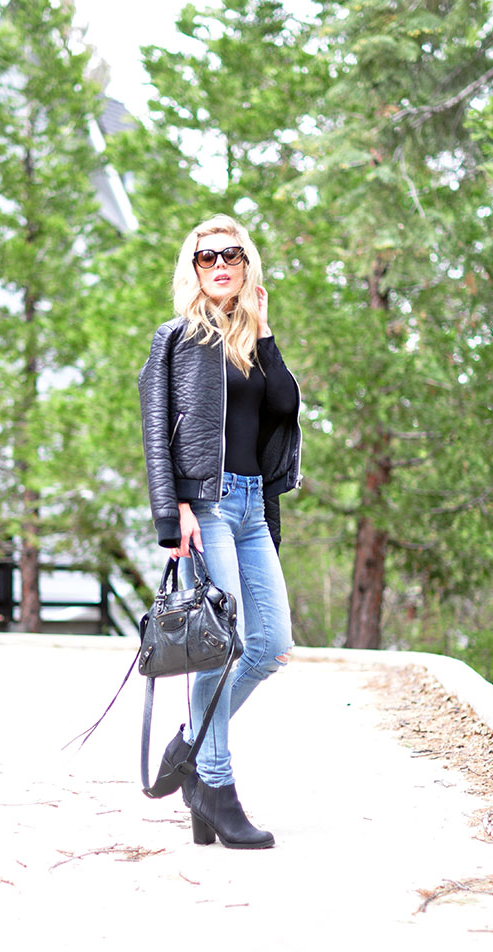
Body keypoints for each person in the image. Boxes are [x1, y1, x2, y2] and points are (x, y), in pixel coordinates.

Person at [138, 214, 302, 849]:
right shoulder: (175, 340)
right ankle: (215, 784)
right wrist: (170, 510)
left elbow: (286, 406)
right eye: (208, 257)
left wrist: (264, 329)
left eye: (232, 254)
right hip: (205, 509)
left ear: (247, 264)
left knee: (272, 647)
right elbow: (157, 435)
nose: (221, 265)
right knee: (222, 645)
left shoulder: (252, 341)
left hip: (255, 508)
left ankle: (189, 745)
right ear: (194, 267)